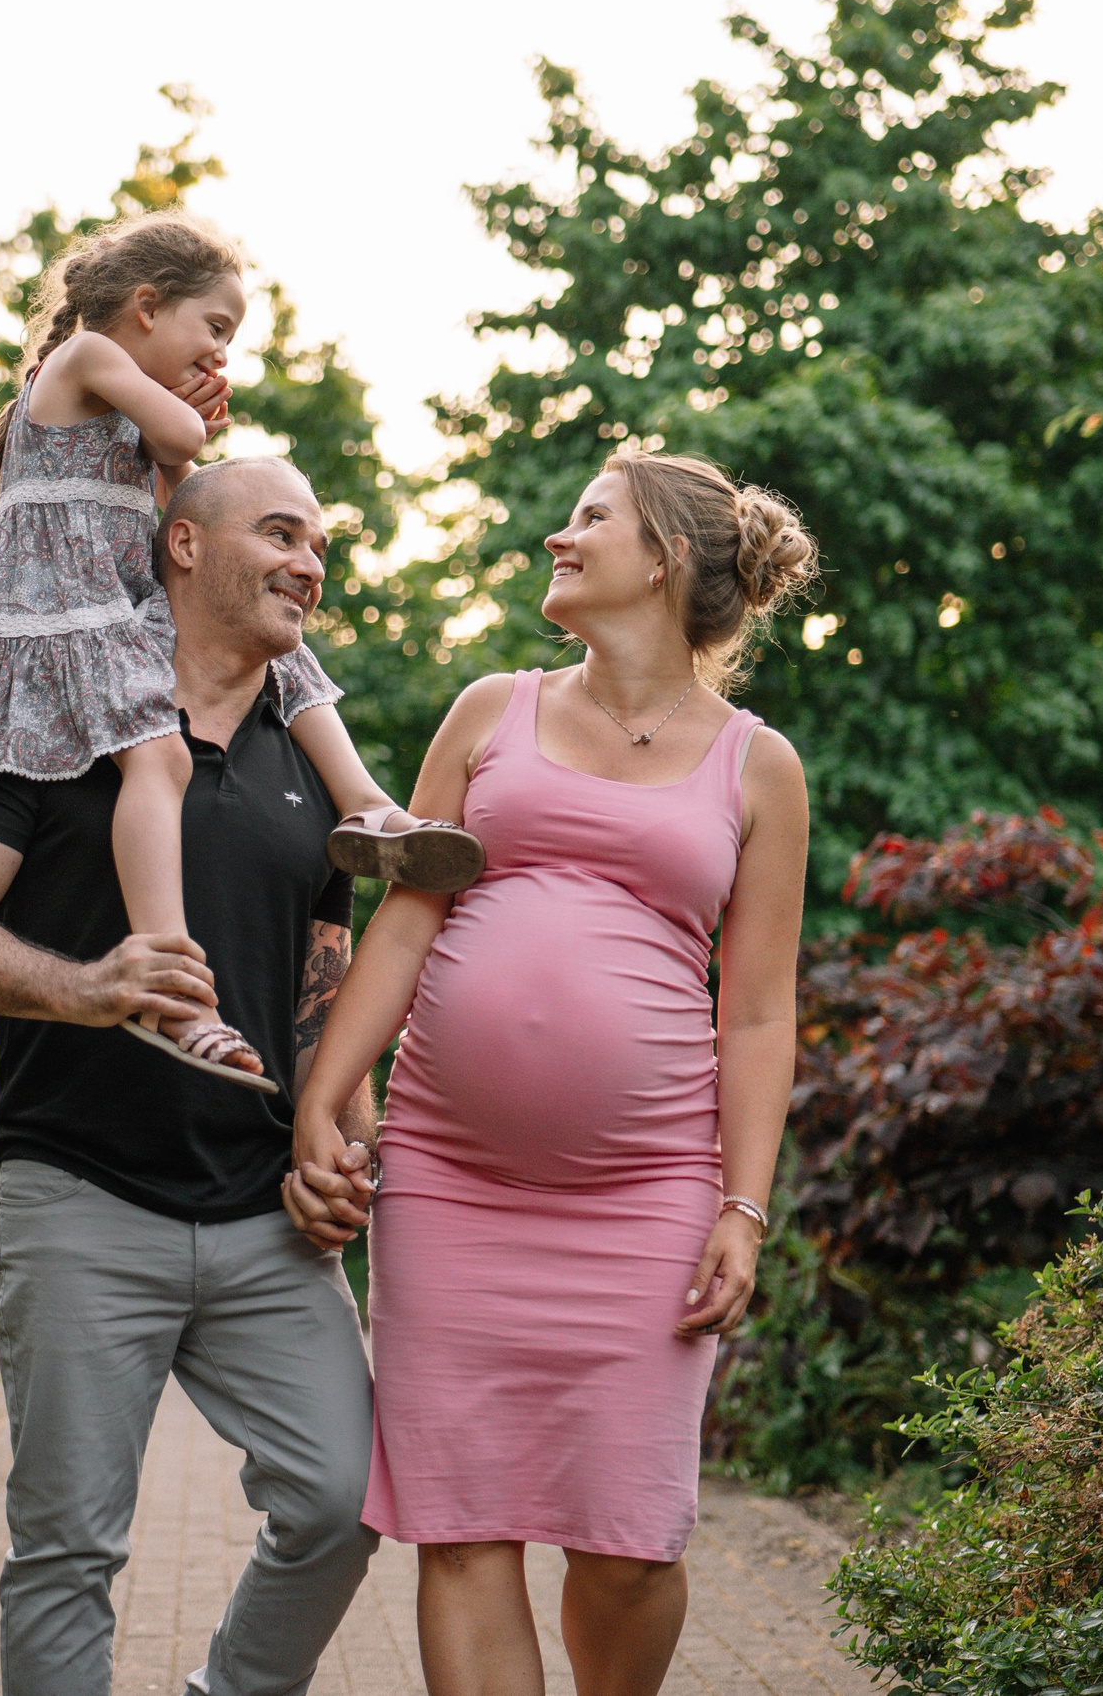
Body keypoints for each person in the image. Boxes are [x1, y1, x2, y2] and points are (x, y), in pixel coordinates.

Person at [284, 451, 819, 1696]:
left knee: (628, 1544)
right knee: (464, 1529)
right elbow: (406, 923)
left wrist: (743, 1207)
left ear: (663, 560)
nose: (555, 538)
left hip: (646, 1199)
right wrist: (321, 1096)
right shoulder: (488, 710)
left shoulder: (757, 765)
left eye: (589, 519)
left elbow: (754, 1013)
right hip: (451, 1188)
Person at [0, 454, 381, 1696]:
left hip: (264, 1212)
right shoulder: (49, 705)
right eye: (279, 532)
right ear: (181, 545)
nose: (308, 563)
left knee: (343, 1498)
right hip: (81, 1198)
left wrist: (341, 1144)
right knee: (67, 1551)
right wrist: (90, 987)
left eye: (320, 544)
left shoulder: (307, 755)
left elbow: (321, 985)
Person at [0, 209, 479, 1092]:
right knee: (160, 764)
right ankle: (174, 980)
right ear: (144, 306)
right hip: (66, 621)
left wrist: (191, 439)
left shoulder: (124, 406)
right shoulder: (87, 357)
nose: (221, 355)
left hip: (113, 614)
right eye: (214, 330)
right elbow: (184, 441)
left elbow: (184, 510)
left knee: (280, 652)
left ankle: (366, 804)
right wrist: (193, 413)